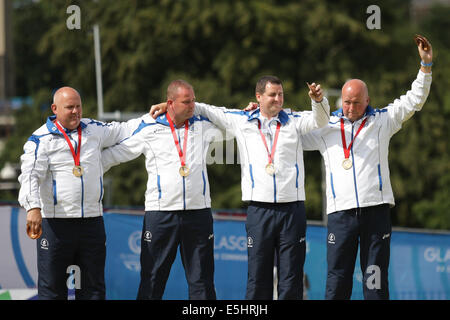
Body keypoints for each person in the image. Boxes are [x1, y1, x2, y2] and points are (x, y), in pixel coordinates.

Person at [151, 76, 330, 299]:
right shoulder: (242, 120)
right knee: (258, 277)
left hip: (292, 210)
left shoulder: (294, 120)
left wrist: (318, 100)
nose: (278, 99)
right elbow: (211, 110)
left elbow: (321, 121)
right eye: (272, 94)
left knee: (291, 276)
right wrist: (167, 105)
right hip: (259, 211)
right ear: (258, 97)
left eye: (280, 94)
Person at [299, 35, 433, 299]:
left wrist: (425, 66)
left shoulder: (382, 121)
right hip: (341, 214)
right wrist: (261, 114)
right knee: (337, 279)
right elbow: (290, 132)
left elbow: (414, 100)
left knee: (375, 279)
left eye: (356, 102)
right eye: (347, 102)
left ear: (368, 99)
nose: (350, 107)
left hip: (376, 210)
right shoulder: (325, 126)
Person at [101, 80, 224, 300]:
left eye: (194, 100)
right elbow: (116, 154)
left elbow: (234, 125)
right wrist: (83, 168)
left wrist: (250, 111)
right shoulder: (150, 128)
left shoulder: (203, 124)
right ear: (170, 103)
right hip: (161, 215)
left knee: (202, 282)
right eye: (186, 102)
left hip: (198, 214)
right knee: (152, 280)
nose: (192, 106)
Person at [18, 87, 141, 300]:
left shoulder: (94, 129)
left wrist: (155, 115)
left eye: (78, 106)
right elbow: (30, 175)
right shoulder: (40, 139)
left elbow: (125, 129)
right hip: (56, 225)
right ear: (55, 109)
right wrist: (33, 207)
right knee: (52, 291)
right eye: (69, 107)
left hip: (91, 223)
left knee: (93, 290)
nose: (76, 111)